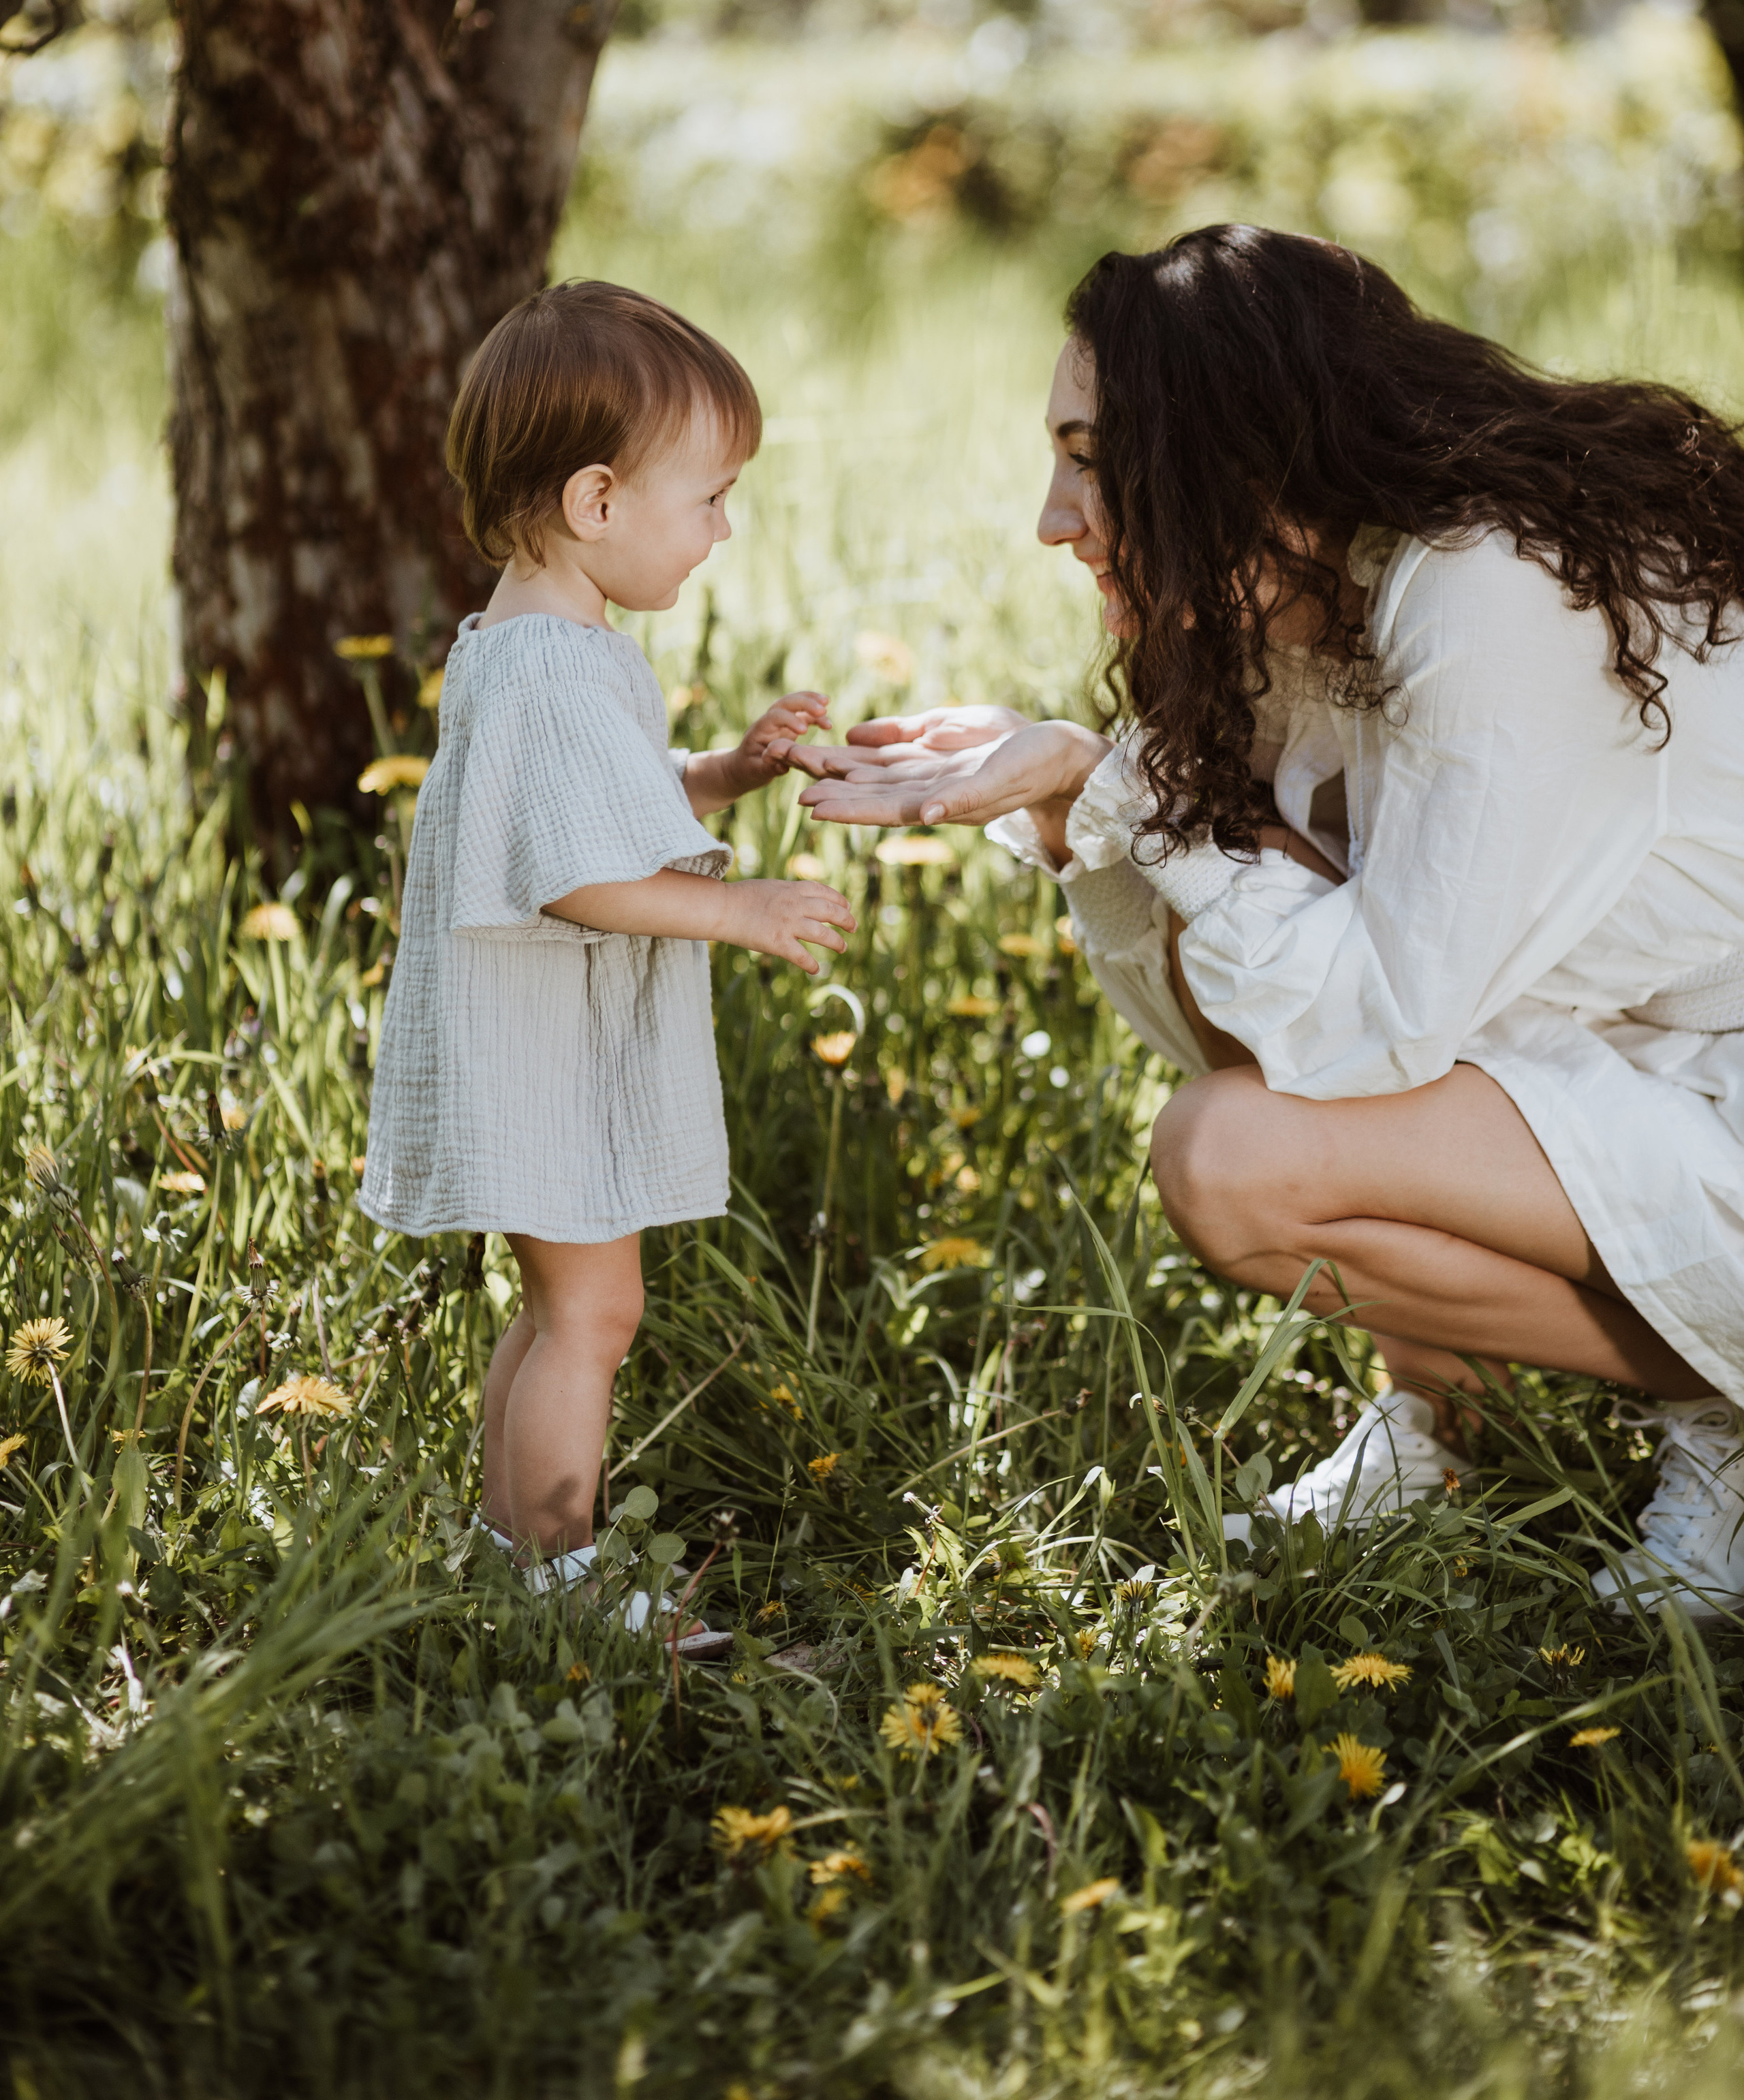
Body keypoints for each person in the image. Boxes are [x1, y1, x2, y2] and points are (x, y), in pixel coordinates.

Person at [797, 223, 1744, 1619]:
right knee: (1239, 1125)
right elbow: (1223, 1013)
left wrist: (1105, 785)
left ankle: (1722, 1410)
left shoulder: (1487, 590)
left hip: (1717, 1081)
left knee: (1228, 1161)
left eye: (1086, 455)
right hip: (1614, 1063)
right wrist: (1079, 809)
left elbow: (1371, 1029)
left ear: (1235, 454)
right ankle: (1442, 1427)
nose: (1054, 521)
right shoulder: (1287, 606)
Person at [362, 281, 854, 1644]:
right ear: (594, 502)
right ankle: (564, 1580)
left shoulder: (549, 648)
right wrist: (742, 909)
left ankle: (516, 1554)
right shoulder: (546, 670)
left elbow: (613, 804)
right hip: (541, 1050)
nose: (720, 530)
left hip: (539, 1044)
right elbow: (576, 877)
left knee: (564, 1308)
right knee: (595, 1316)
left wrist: (730, 771)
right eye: (707, 497)